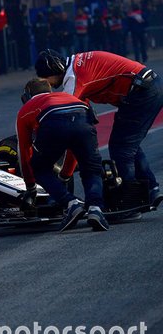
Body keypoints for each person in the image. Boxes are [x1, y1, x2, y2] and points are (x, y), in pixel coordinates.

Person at [35, 49, 163, 209]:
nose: (50, 86)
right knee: (128, 143)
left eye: (48, 80)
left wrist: (64, 174)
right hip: (147, 87)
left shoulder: (73, 77)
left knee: (121, 148)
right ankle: (152, 189)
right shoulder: (77, 66)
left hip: (142, 91)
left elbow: (67, 118)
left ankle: (132, 201)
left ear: (55, 69)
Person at [16, 78, 108, 232]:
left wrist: (30, 186)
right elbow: (73, 150)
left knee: (40, 168)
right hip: (82, 117)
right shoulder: (70, 97)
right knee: (92, 168)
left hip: (53, 121)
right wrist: (65, 175)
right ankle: (96, 209)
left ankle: (71, 204)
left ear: (26, 96)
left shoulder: (26, 109)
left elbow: (25, 152)